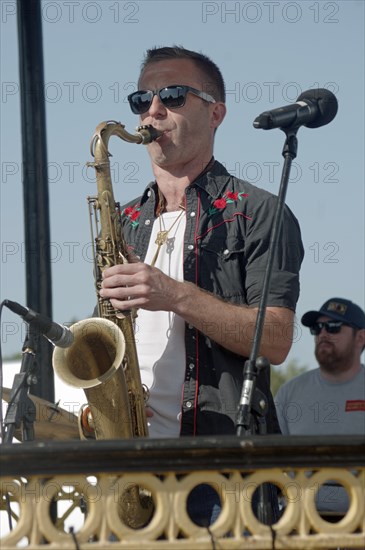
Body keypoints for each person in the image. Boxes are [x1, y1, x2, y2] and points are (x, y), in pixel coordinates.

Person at [99, 46, 304, 524]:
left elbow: (274, 339)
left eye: (172, 95)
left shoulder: (258, 211)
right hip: (130, 466)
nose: (153, 110)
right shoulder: (123, 221)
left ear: (216, 113)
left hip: (220, 473)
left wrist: (174, 294)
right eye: (141, 98)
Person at [275, 297, 365, 513]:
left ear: (360, 337)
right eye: (317, 328)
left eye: (333, 327)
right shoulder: (289, 393)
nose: (323, 333)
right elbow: (272, 464)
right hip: (301, 529)